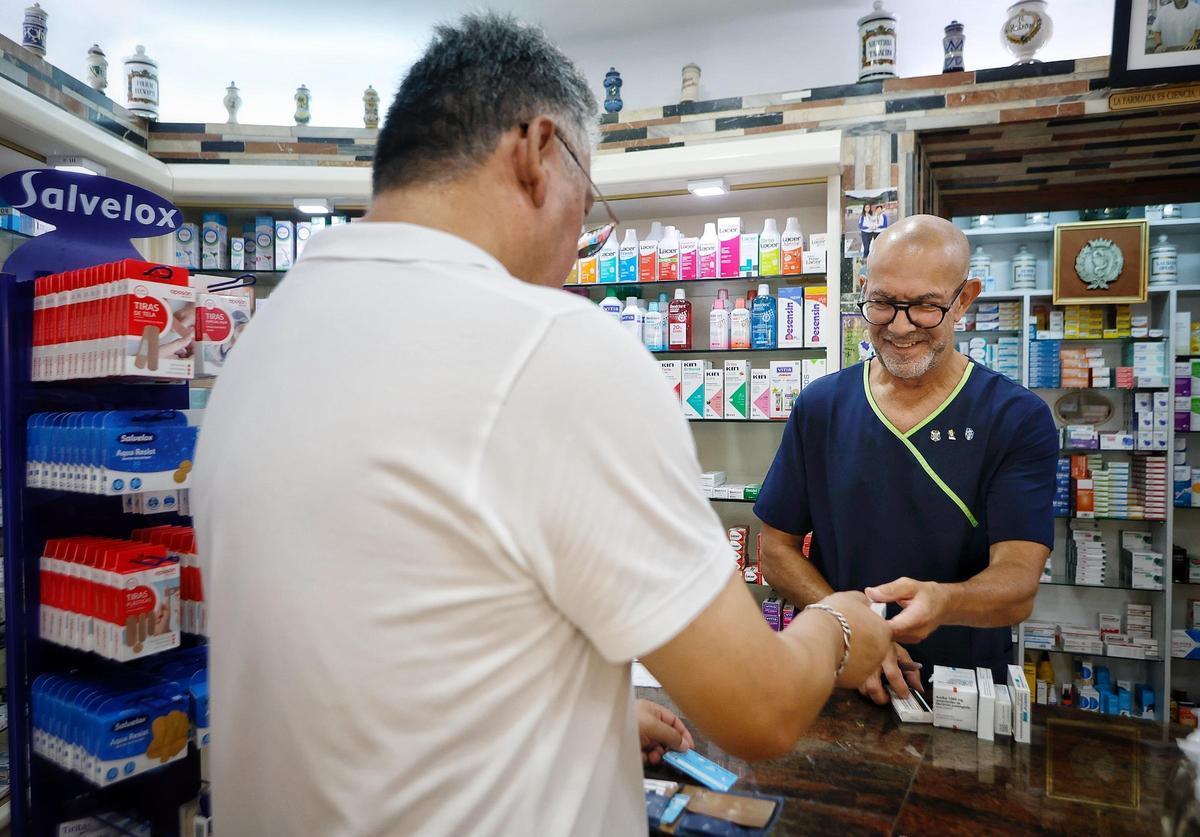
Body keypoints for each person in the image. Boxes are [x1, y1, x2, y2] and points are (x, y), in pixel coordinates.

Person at [192, 12, 891, 837]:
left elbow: (380, 639)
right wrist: (843, 625)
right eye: (586, 201)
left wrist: (575, 719)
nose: (579, 243)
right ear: (535, 151)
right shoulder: (551, 345)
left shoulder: (260, 340)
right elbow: (761, 710)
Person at [754, 214, 1057, 706]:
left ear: (964, 299)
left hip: (964, 692)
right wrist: (855, 628)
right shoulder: (823, 406)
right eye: (882, 303)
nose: (899, 325)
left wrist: (947, 600)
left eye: (924, 307)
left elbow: (1018, 584)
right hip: (840, 676)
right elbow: (775, 551)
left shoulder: (1015, 418)